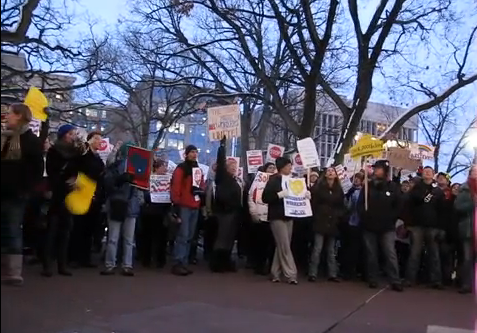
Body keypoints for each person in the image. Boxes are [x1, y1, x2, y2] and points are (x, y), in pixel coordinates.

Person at [1, 104, 44, 285]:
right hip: (2, 190)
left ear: (19, 116)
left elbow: (37, 170)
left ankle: (13, 272)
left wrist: (24, 190)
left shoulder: (30, 141)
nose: (6, 116)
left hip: (16, 193)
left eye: (10, 114)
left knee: (12, 229)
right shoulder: (5, 138)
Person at [43, 124, 86, 277]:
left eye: (74, 133)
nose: (73, 136)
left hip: (70, 194)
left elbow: (81, 169)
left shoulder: (76, 152)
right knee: (52, 230)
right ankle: (47, 264)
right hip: (58, 193)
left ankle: (62, 264)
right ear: (64, 135)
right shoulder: (54, 151)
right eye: (71, 134)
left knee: (66, 230)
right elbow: (52, 172)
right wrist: (63, 181)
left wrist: (76, 179)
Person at [358, 160, 403, 291]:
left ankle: (395, 279)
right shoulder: (368, 186)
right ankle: (372, 278)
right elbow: (360, 205)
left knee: (390, 253)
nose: (376, 170)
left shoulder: (393, 187)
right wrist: (364, 216)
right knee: (371, 253)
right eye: (375, 168)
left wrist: (391, 218)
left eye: (379, 168)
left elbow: (398, 205)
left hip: (387, 226)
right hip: (369, 225)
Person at [100, 142, 144, 276]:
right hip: (120, 203)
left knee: (118, 238)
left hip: (124, 204)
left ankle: (114, 265)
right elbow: (108, 183)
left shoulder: (137, 167)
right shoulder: (116, 167)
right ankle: (123, 265)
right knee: (123, 238)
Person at [69, 131, 105, 268]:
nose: (99, 141)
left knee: (90, 228)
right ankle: (74, 257)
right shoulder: (84, 155)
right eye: (96, 139)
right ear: (89, 140)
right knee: (79, 226)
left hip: (95, 196)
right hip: (82, 193)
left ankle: (85, 258)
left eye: (100, 139)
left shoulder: (98, 158)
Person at [405, 166, 445, 289]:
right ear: (422, 174)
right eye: (425, 171)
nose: (427, 173)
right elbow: (411, 205)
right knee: (415, 253)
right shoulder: (416, 188)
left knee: (434, 254)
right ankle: (410, 279)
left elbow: (441, 210)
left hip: (433, 226)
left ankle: (436, 280)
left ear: (433, 175)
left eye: (430, 172)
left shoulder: (438, 191)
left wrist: (440, 228)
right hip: (417, 225)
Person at [262, 156, 299, 285]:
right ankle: (291, 274)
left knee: (282, 246)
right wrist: (279, 195)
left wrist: (304, 195)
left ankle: (275, 273)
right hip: (277, 216)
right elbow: (265, 197)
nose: (291, 168)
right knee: (284, 245)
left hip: (289, 215)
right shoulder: (273, 180)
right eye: (289, 166)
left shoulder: (292, 180)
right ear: (282, 167)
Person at [209, 136, 243, 272]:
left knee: (229, 239)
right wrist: (222, 146)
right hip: (224, 212)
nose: (234, 168)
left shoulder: (235, 180)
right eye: (232, 166)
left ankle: (226, 262)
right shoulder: (222, 177)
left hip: (233, 212)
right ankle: (217, 263)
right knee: (222, 238)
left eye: (235, 166)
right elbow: (221, 162)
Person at [170, 144, 204, 276]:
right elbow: (176, 186)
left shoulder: (197, 169)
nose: (194, 154)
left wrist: (201, 190)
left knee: (189, 236)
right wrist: (176, 204)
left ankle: (183, 262)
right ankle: (178, 262)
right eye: (192, 152)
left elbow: (201, 184)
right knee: (183, 235)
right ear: (186, 154)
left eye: (196, 152)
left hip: (194, 205)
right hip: (184, 205)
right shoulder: (181, 169)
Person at [308, 167, 346, 282]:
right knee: (317, 248)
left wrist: (338, 216)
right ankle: (313, 273)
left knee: (330, 249)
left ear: (335, 175)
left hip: (333, 222)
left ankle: (332, 273)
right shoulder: (319, 188)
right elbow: (314, 203)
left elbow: (341, 205)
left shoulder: (339, 189)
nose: (330, 172)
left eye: (332, 171)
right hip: (320, 221)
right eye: (328, 171)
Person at [140, 160, 171, 269]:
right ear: (156, 168)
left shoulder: (168, 180)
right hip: (150, 211)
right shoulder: (150, 179)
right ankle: (146, 259)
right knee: (148, 237)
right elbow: (145, 195)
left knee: (162, 238)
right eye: (163, 167)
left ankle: (160, 260)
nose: (165, 169)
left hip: (162, 211)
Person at [248, 163, 276, 275]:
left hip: (273, 216)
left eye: (274, 168)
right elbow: (251, 197)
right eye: (270, 168)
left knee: (272, 244)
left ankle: (271, 267)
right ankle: (259, 266)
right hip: (260, 217)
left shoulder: (277, 181)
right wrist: (253, 212)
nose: (272, 170)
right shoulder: (258, 182)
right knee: (261, 244)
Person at [453, 166, 476, 294]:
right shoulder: (465, 189)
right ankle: (466, 284)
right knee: (467, 258)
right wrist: (473, 204)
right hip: (468, 228)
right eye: (475, 171)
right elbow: (458, 207)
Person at [341, 172, 364, 280]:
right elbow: (348, 206)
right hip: (352, 222)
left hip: (360, 222)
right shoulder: (350, 191)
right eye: (355, 178)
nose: (356, 180)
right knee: (351, 247)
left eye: (358, 179)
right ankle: (349, 270)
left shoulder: (363, 191)